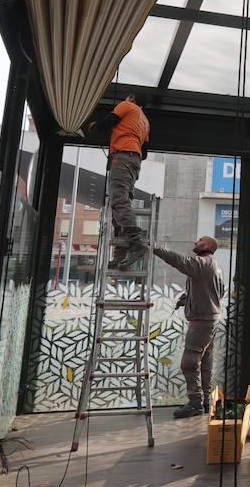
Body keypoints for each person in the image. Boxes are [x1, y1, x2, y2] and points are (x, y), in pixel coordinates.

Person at [153, 235, 225, 418]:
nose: (195, 243)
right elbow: (215, 292)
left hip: (202, 320)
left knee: (189, 362)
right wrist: (188, 298)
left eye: (200, 241)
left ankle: (195, 403)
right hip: (211, 318)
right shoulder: (215, 266)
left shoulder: (203, 263)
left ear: (208, 245)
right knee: (205, 362)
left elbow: (180, 261)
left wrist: (156, 248)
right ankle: (206, 402)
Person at [86, 93, 150, 270]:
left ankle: (136, 243)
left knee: (118, 200)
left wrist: (94, 126)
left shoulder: (127, 106)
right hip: (134, 161)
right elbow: (144, 152)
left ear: (133, 98)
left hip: (122, 157)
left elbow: (108, 122)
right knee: (121, 204)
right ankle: (120, 255)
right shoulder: (144, 121)